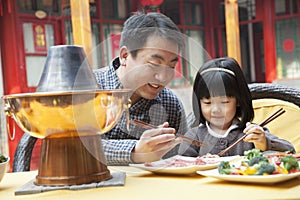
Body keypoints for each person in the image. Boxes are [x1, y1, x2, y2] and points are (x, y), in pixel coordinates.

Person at [93, 12, 188, 165]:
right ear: (125, 56)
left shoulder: (170, 104)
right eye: (155, 64)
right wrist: (135, 151)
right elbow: (74, 146)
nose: (163, 77)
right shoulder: (89, 89)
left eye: (171, 66)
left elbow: (179, 159)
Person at [178, 57, 295, 157]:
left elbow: (290, 151)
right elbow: (182, 166)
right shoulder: (194, 137)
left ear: (238, 100)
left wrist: (264, 143)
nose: (215, 110)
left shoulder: (251, 133)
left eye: (224, 102)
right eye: (207, 103)